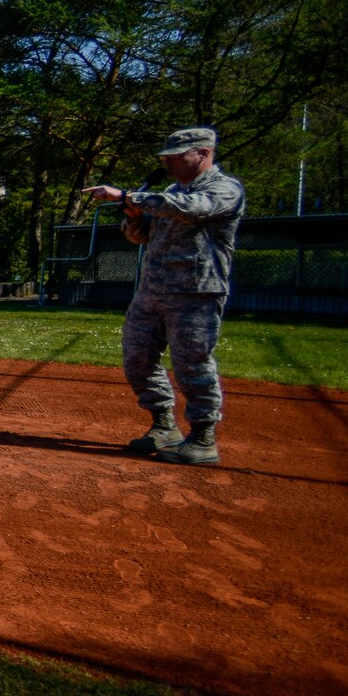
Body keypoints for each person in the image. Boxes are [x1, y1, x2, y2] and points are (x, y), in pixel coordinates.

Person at [82, 126, 246, 466]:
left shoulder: (224, 189)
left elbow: (191, 209)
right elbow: (139, 237)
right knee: (137, 358)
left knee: (192, 363)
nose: (167, 163)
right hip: (152, 289)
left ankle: (202, 438)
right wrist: (133, 216)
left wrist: (130, 196)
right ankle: (163, 425)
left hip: (196, 292)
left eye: (175, 156)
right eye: (165, 158)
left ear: (203, 153)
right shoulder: (169, 192)